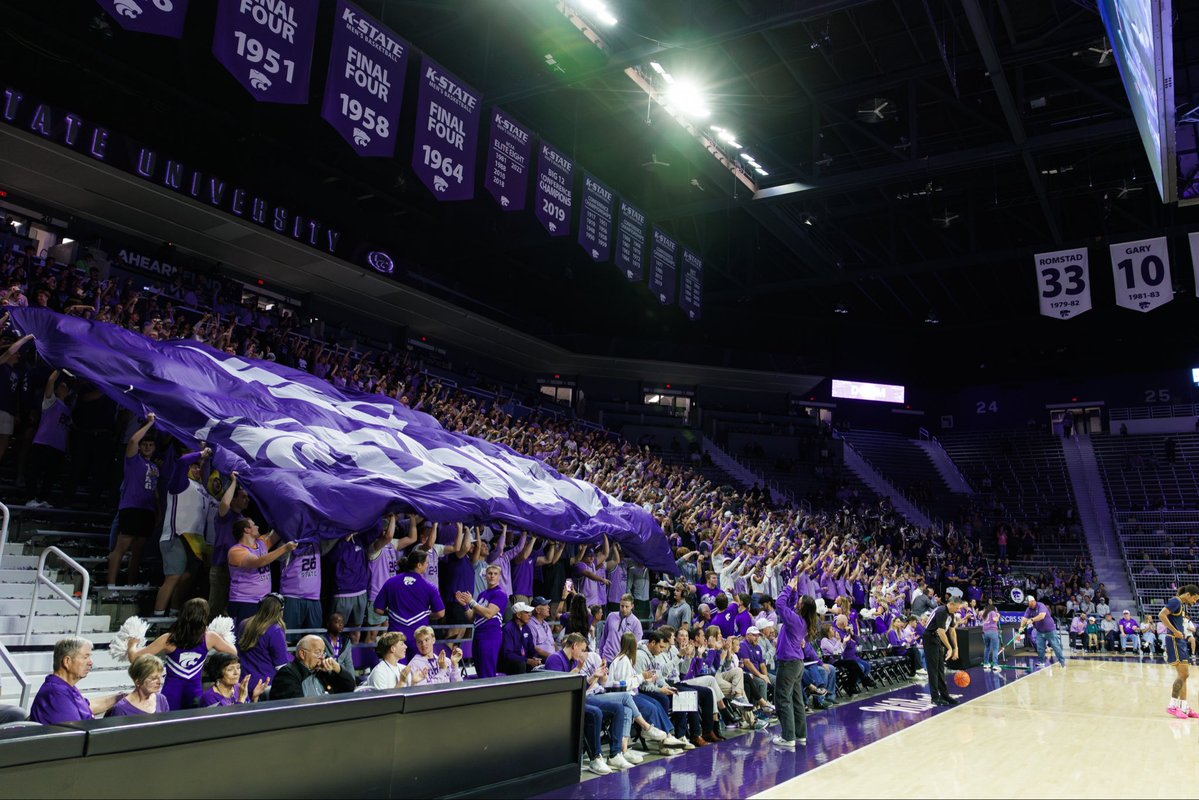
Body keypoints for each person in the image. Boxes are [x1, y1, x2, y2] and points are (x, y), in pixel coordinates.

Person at [127, 597, 237, 710]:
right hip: (195, 692)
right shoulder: (211, 637)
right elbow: (234, 652)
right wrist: (224, 637)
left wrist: (132, 643)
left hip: (171, 693)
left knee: (169, 724)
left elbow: (134, 658)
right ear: (204, 617)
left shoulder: (168, 639)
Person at [106, 412, 159, 588]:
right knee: (120, 548)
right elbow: (132, 442)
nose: (147, 447)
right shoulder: (132, 460)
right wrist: (149, 424)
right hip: (131, 508)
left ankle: (130, 585)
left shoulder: (155, 467)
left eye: (151, 445)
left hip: (147, 510)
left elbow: (155, 492)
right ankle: (111, 585)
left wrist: (157, 512)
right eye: (145, 444)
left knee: (137, 551)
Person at [29, 637, 123, 723]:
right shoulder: (56, 694)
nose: (91, 662)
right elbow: (75, 732)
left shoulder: (65, 687)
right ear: (67, 661)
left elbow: (87, 708)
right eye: (85, 657)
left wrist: (120, 698)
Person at [373, 547, 446, 655]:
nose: (427, 565)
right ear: (419, 565)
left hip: (395, 637)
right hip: (419, 639)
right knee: (418, 670)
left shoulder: (390, 582)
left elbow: (378, 609)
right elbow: (440, 613)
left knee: (396, 670)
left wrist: (391, 613)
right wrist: (426, 615)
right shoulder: (429, 586)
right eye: (426, 563)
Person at [227, 519, 296, 625]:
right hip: (244, 602)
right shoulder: (236, 551)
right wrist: (285, 548)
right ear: (247, 530)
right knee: (243, 638)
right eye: (254, 525)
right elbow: (259, 562)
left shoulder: (262, 543)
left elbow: (280, 529)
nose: (258, 527)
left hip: (263, 603)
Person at [772, 575, 809, 748]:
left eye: (799, 601)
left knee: (782, 699)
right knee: (797, 700)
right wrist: (794, 592)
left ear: (802, 607)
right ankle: (800, 735)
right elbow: (790, 606)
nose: (797, 602)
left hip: (788, 664)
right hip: (797, 664)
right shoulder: (802, 620)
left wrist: (787, 588)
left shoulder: (794, 620)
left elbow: (780, 605)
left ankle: (788, 737)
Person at [457, 563, 507, 678]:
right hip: (478, 635)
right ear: (485, 576)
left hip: (490, 636)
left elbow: (489, 614)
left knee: (487, 672)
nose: (492, 576)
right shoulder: (481, 595)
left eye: (495, 574)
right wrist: (465, 605)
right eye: (489, 573)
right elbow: (471, 617)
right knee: (480, 671)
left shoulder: (500, 594)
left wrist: (471, 602)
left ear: (499, 576)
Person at [270, 635, 357, 699]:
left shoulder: (323, 672)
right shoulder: (287, 674)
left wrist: (338, 668)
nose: (322, 657)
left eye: (323, 653)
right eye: (318, 652)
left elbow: (349, 688)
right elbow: (295, 709)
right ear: (302, 654)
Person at [236, 593, 289, 694]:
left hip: (243, 683)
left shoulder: (244, 623)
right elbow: (281, 666)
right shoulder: (275, 630)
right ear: (280, 611)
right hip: (264, 686)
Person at [1162, 585, 1199, 719]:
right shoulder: (1176, 601)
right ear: (1189, 595)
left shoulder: (1181, 605)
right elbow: (1162, 615)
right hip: (1174, 640)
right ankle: (1172, 706)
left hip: (1180, 641)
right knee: (1184, 674)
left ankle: (1184, 707)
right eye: (1195, 599)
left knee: (1184, 675)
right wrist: (1175, 631)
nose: (1195, 602)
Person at [922, 597, 963, 706]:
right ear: (952, 604)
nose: (958, 610)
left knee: (940, 669)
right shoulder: (941, 611)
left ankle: (945, 695)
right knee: (933, 669)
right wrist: (949, 648)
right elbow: (941, 632)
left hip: (937, 639)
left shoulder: (951, 614)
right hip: (930, 638)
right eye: (957, 608)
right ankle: (935, 697)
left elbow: (952, 631)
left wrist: (956, 648)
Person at [198, 652, 268, 706]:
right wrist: (241, 700)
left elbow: (249, 716)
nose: (236, 673)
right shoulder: (209, 698)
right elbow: (230, 723)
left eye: (238, 667)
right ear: (217, 673)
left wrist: (255, 697)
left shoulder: (239, 688)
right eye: (230, 669)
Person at [1019, 595, 1066, 669]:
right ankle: (1041, 662)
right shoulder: (1029, 609)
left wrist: (1032, 620)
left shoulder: (1041, 605)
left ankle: (1062, 661)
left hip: (1050, 630)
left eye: (1028, 602)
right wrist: (1021, 627)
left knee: (1055, 646)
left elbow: (1042, 616)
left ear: (1032, 601)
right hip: (1040, 631)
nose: (1027, 604)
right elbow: (1024, 618)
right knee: (1040, 647)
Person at [598, 593, 644, 662]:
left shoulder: (636, 623)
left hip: (622, 661)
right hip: (606, 658)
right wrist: (601, 655)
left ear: (632, 606)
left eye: (626, 606)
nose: (624, 609)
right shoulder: (611, 616)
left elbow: (635, 646)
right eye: (622, 606)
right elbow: (604, 637)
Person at [499, 601, 541, 675]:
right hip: (509, 663)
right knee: (521, 665)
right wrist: (527, 660)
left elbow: (531, 648)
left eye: (530, 613)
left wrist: (535, 657)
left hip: (524, 660)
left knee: (541, 663)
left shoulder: (526, 628)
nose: (530, 615)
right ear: (518, 615)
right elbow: (508, 654)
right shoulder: (508, 629)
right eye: (526, 613)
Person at [980, 603, 1001, 671]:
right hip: (993, 631)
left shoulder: (984, 614)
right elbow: (995, 620)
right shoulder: (992, 612)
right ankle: (995, 665)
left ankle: (986, 663)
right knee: (995, 648)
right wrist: (998, 616)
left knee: (987, 647)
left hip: (985, 632)